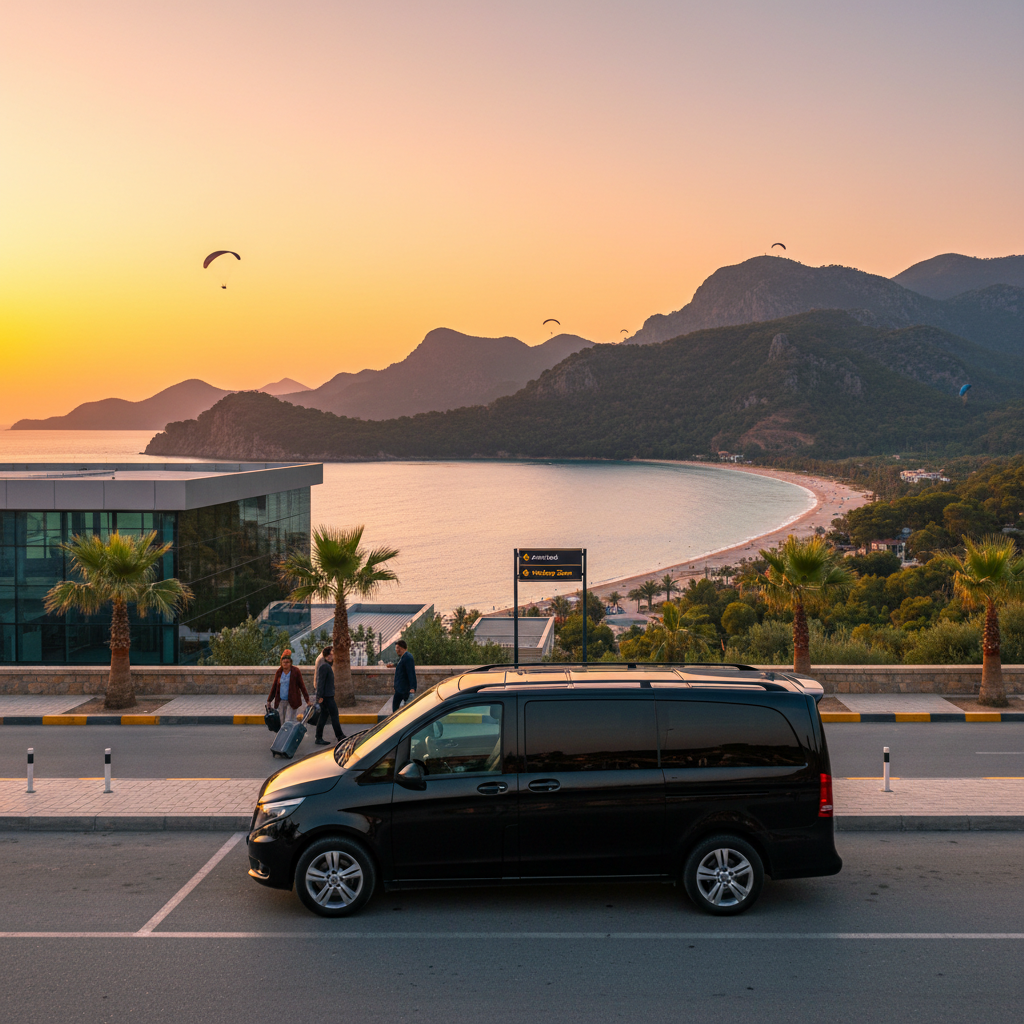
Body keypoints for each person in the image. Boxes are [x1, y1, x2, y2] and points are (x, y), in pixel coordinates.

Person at [267, 650, 309, 725]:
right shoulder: (279, 672)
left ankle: (289, 735)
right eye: (284, 662)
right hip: (281, 701)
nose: (285, 664)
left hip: (292, 701)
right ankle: (282, 736)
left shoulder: (295, 671)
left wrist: (307, 700)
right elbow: (274, 687)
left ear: (290, 663)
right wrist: (269, 701)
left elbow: (302, 686)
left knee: (288, 721)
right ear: (281, 663)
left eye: (287, 662)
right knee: (282, 721)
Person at [314, 646, 343, 746]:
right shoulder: (324, 666)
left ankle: (318, 737)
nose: (331, 656)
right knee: (334, 715)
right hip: (327, 696)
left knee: (323, 716)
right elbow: (320, 682)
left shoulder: (326, 666)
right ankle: (340, 736)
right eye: (329, 654)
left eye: (332, 654)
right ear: (325, 656)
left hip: (326, 695)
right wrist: (320, 696)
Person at [391, 639, 417, 714]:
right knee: (403, 708)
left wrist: (412, 688)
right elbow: (401, 665)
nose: (396, 650)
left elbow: (411, 672)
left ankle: (398, 722)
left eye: (398, 648)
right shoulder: (404, 657)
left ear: (403, 648)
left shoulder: (408, 657)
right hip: (400, 688)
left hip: (403, 689)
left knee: (396, 707)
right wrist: (393, 665)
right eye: (396, 648)